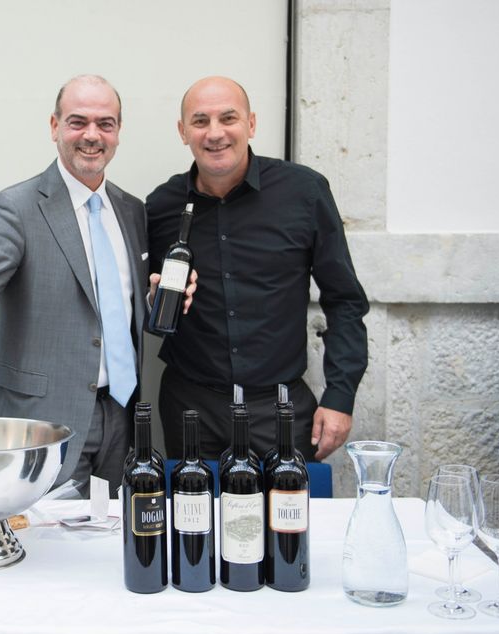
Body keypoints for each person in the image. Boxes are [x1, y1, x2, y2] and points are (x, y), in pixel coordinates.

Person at [0, 75, 195, 493]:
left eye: (106, 123)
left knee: (113, 534)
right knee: (41, 537)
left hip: (124, 422)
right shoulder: (16, 209)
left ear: (118, 132)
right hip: (40, 428)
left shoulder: (132, 211)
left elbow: (117, 312)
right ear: (54, 126)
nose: (92, 135)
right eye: (78, 122)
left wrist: (156, 301)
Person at [147, 76, 368, 462]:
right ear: (183, 132)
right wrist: (153, 301)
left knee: (287, 505)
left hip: (280, 410)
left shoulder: (305, 192)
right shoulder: (161, 206)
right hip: (190, 409)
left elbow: (344, 299)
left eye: (228, 118)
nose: (215, 133)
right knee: (192, 504)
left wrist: (340, 396)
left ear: (251, 124)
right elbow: (140, 303)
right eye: (200, 121)